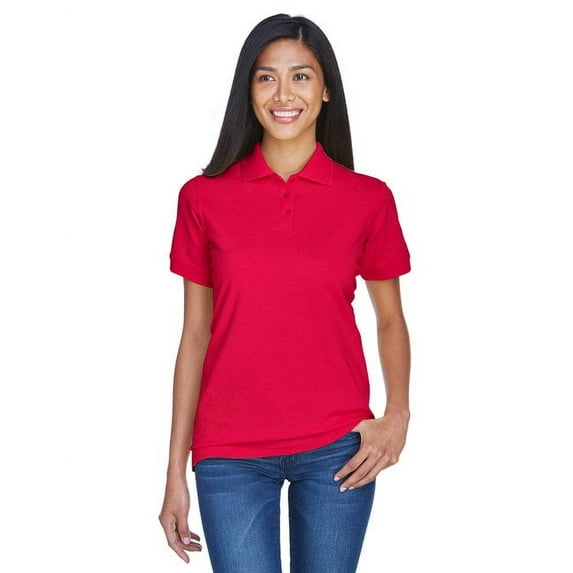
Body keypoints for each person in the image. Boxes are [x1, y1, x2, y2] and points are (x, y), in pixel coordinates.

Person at [159, 13, 411, 573]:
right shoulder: (202, 198)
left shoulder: (368, 199)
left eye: (301, 76)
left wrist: (397, 415)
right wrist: (175, 471)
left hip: (337, 447)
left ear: (325, 91)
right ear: (247, 91)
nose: (283, 94)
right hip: (229, 452)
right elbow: (195, 335)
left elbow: (390, 319)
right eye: (266, 78)